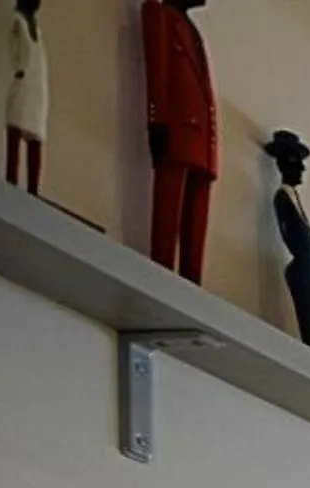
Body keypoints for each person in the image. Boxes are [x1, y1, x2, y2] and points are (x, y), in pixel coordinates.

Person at [142, 0, 216, 280]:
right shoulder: (159, 14)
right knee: (167, 218)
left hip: (201, 140)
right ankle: (161, 273)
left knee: (195, 230)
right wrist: (156, 121)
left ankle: (191, 284)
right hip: (178, 131)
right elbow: (157, 72)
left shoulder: (192, 29)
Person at [265, 129, 310, 354]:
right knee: (306, 311)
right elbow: (290, 230)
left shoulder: (292, 195)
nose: (302, 169)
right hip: (302, 259)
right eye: (296, 162)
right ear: (285, 164)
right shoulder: (282, 196)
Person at [4, 0, 43, 195]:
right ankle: (11, 182)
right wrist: (19, 69)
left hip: (37, 87)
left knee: (35, 136)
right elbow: (14, 48)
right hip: (25, 81)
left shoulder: (36, 25)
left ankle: (32, 191)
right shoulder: (18, 20)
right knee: (16, 127)